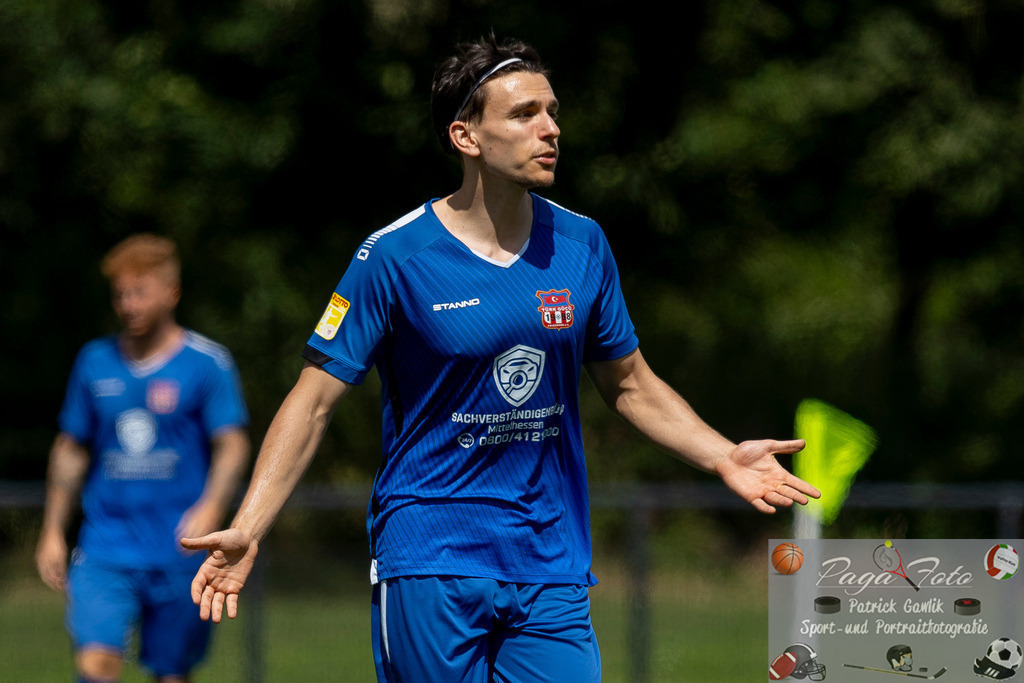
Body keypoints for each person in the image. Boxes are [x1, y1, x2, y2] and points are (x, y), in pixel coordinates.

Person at [181, 36, 820, 682]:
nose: (550, 129)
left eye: (552, 111)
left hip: (550, 561)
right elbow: (313, 401)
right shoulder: (393, 258)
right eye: (524, 114)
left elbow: (629, 383)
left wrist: (721, 453)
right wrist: (249, 524)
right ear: (467, 136)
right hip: (431, 554)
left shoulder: (582, 244)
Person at [35, 234, 250, 683]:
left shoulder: (207, 363)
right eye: (120, 294)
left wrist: (212, 506)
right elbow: (71, 449)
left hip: (179, 548)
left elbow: (232, 444)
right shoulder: (93, 362)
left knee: (170, 673)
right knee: (96, 665)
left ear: (171, 292)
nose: (128, 304)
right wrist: (53, 529)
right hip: (104, 547)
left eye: (139, 292)